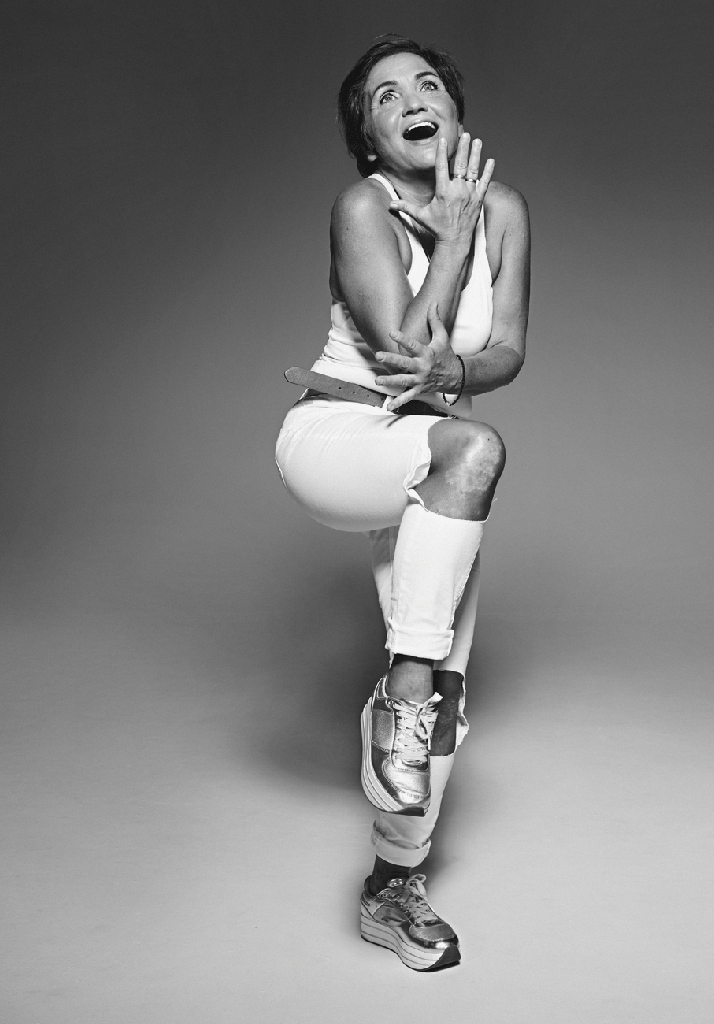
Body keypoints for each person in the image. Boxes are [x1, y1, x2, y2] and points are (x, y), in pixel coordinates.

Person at [275, 34, 530, 971]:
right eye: (385, 96)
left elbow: (503, 351)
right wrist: (450, 240)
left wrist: (456, 372)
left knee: (448, 700)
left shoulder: (505, 208)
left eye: (427, 84)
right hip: (340, 437)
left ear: (454, 112)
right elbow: (397, 360)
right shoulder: (363, 207)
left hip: (431, 463)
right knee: (475, 444)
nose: (412, 99)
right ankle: (404, 691)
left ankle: (392, 888)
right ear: (370, 140)